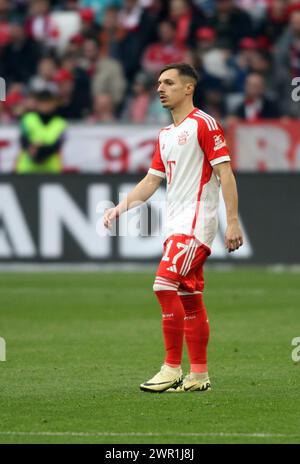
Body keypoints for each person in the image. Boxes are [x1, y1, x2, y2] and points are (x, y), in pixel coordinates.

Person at [103, 63, 243, 393]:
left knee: (163, 285)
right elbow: (152, 181)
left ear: (188, 88)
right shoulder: (165, 135)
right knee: (189, 296)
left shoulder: (205, 124)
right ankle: (198, 375)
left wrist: (232, 221)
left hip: (196, 223)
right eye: (158, 83)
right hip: (175, 224)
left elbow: (226, 174)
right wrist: (120, 208)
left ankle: (171, 368)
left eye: (168, 82)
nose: (160, 88)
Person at [16, 90, 66, 174]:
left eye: (48, 102)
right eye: (43, 102)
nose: (45, 106)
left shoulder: (60, 123)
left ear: (54, 103)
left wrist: (40, 151)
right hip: (27, 169)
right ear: (38, 103)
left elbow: (58, 145)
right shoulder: (28, 119)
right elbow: (23, 139)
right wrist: (30, 147)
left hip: (51, 169)